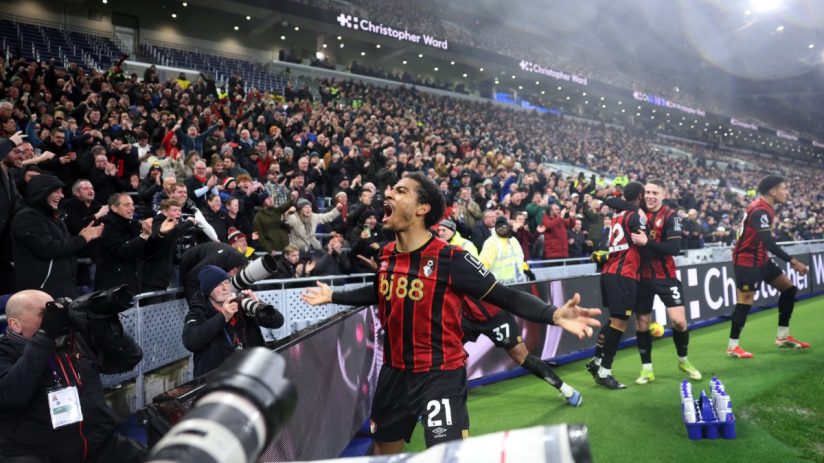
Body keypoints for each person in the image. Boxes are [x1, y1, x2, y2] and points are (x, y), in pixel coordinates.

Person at [301, 173, 601, 454]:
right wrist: (334, 296)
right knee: (383, 453)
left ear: (422, 209)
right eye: (391, 189)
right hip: (393, 373)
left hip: (440, 374)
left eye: (400, 191)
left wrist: (552, 314)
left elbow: (504, 295)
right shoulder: (388, 253)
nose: (388, 193)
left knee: (447, 457)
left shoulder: (452, 257)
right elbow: (379, 291)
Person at [0, 289, 145, 462]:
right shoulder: (5, 352)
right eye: (44, 314)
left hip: (97, 444)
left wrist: (101, 324)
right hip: (39, 453)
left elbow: (128, 359)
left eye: (55, 311)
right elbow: (11, 396)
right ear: (15, 324)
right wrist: (45, 336)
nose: (54, 318)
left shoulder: (72, 342)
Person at [727, 176, 810, 358]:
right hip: (746, 260)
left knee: (788, 289)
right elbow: (768, 242)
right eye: (784, 188)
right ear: (773, 191)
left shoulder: (764, 208)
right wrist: (793, 261)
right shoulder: (759, 210)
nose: (787, 192)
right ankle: (733, 346)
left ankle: (782, 337)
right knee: (745, 301)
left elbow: (763, 243)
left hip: (760, 258)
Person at [628, 180, 701, 384]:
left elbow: (674, 248)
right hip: (641, 277)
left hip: (665, 277)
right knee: (642, 324)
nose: (650, 196)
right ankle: (646, 369)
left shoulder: (671, 216)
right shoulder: (636, 212)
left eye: (654, 192)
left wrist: (647, 242)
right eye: (647, 192)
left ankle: (683, 360)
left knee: (679, 322)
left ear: (663, 194)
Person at [461, 296, 582, 406]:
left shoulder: (474, 274)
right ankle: (452, 399)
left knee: (522, 357)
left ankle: (566, 389)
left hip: (495, 316)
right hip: (466, 317)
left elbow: (503, 293)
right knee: (448, 350)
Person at [586, 182, 647, 389]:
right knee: (619, 323)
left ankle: (596, 362)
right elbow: (642, 241)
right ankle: (605, 372)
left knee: (614, 321)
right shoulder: (635, 216)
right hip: (624, 274)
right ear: (640, 195)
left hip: (609, 272)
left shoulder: (617, 216)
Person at [12, 174, 104, 298]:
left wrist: (80, 239)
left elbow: (66, 245)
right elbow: (49, 248)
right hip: (41, 293)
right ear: (42, 192)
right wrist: (82, 239)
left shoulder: (53, 216)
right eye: (56, 191)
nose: (62, 195)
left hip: (62, 288)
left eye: (61, 192)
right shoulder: (26, 217)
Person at [182, 265, 282, 377]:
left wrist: (259, 306)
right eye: (219, 285)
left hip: (252, 374)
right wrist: (223, 316)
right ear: (208, 290)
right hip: (218, 381)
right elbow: (190, 341)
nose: (225, 288)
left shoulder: (241, 302)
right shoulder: (199, 311)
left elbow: (278, 321)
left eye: (226, 282)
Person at [93, 193, 152, 292]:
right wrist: (144, 236)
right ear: (114, 208)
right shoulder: (106, 226)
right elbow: (121, 251)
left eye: (132, 204)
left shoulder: (132, 224)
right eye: (127, 205)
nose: (132, 208)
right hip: (113, 290)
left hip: (131, 285)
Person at [142, 199, 197, 292]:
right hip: (153, 276)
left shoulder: (172, 223)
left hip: (163, 274)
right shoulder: (157, 222)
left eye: (179, 210)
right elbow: (171, 233)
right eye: (174, 210)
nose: (178, 213)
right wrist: (189, 223)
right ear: (165, 212)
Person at [479, 215, 536, 284]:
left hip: (516, 283)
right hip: (498, 285)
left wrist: (527, 271)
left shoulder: (513, 241)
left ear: (508, 227)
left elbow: (519, 259)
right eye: (498, 227)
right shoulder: (491, 242)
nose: (501, 229)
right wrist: (481, 279)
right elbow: (484, 262)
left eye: (503, 226)